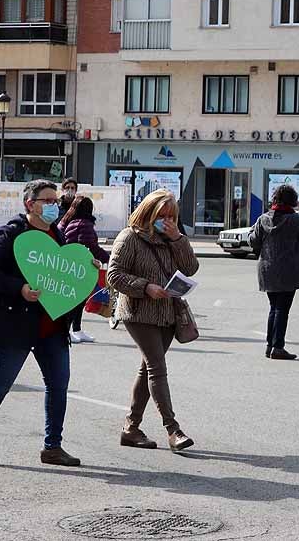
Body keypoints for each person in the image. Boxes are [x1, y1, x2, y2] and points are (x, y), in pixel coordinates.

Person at [0, 179, 98, 467]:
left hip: (51, 327)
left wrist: (88, 270)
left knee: (58, 385)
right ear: (30, 204)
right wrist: (20, 288)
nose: (55, 205)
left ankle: (52, 447)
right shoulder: (12, 233)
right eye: (48, 201)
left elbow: (66, 272)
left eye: (57, 202)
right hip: (16, 324)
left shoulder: (57, 234)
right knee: (0, 384)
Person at [108, 189, 199, 452]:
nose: (167, 221)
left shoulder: (172, 237)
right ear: (149, 213)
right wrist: (145, 286)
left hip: (168, 312)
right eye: (162, 216)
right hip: (139, 312)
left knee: (147, 369)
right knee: (157, 368)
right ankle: (173, 430)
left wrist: (178, 238)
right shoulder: (130, 237)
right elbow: (114, 275)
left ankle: (131, 428)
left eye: (172, 216)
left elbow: (190, 268)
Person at [249, 184, 299, 360]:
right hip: (289, 270)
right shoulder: (294, 220)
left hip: (267, 268)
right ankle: (278, 347)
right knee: (282, 309)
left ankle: (270, 346)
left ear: (274, 199)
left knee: (274, 308)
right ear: (293, 201)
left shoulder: (263, 219)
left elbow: (253, 240)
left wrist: (262, 248)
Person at [62, 196, 110, 344]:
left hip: (68, 265)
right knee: (76, 301)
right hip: (78, 268)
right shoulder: (84, 224)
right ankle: (67, 331)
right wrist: (108, 258)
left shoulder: (67, 221)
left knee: (78, 300)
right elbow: (89, 245)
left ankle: (76, 330)